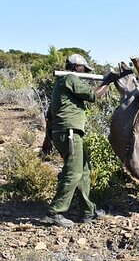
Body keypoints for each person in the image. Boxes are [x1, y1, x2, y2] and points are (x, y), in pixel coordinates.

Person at [42, 53, 127, 227]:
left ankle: (88, 211)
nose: (84, 73)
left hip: (64, 133)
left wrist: (47, 139)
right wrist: (108, 81)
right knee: (73, 172)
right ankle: (55, 212)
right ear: (76, 67)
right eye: (83, 69)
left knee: (84, 170)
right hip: (69, 132)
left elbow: (49, 116)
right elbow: (94, 96)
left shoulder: (60, 85)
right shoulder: (70, 78)